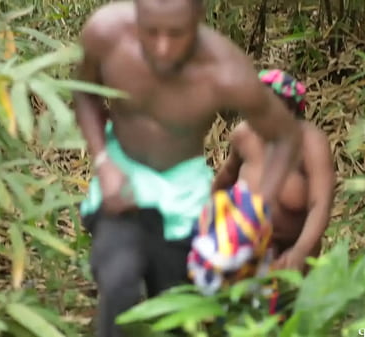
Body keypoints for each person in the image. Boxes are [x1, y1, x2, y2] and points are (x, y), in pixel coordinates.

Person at [72, 0, 303, 335]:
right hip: (123, 177)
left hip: (185, 196)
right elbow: (83, 93)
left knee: (180, 308)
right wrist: (104, 162)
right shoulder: (106, 34)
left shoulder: (225, 69)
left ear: (198, 18)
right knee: (118, 281)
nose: (163, 48)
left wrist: (257, 211)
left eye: (176, 33)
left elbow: (285, 137)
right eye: (151, 32)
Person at [211, 69, 336, 274]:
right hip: (247, 242)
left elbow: (321, 203)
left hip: (293, 246)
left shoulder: (310, 143)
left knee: (289, 300)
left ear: (291, 110)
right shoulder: (244, 135)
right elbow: (225, 178)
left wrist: (301, 250)